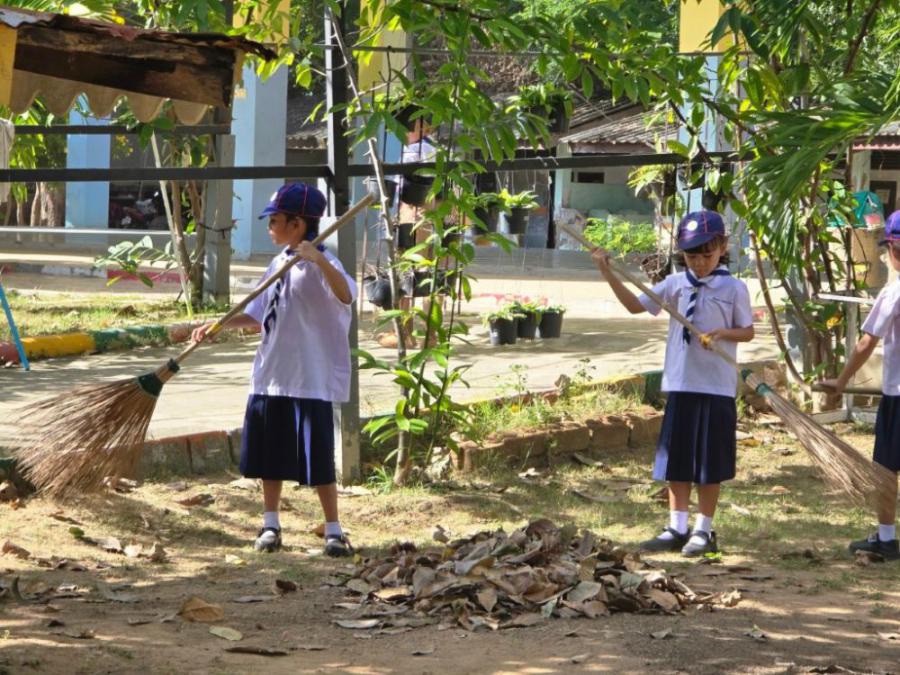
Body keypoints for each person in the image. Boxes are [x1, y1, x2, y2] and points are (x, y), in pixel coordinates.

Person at [191, 182, 355, 557]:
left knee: (319, 457)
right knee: (270, 455)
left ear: (297, 224)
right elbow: (257, 313)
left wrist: (318, 260)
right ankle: (270, 524)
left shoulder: (326, 264)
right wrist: (220, 325)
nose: (269, 228)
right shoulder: (279, 262)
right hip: (272, 374)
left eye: (275, 221)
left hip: (310, 377)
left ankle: (333, 530)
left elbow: (346, 295)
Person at [591, 210, 754, 556]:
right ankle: (676, 526)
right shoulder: (675, 284)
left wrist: (722, 334)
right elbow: (635, 306)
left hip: (716, 388)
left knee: (709, 463)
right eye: (692, 256)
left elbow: (748, 331)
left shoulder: (734, 288)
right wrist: (607, 272)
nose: (699, 263)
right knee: (677, 459)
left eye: (707, 255)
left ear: (723, 247)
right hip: (681, 384)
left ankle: (703, 530)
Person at [820, 211, 900, 561]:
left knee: (885, 468)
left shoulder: (894, 292)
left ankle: (886, 538)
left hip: (898, 396)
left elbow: (867, 342)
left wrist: (841, 381)